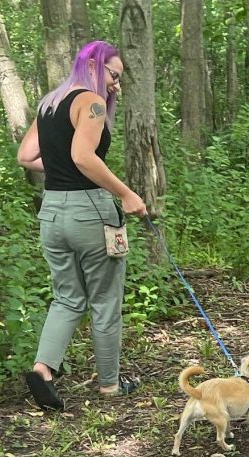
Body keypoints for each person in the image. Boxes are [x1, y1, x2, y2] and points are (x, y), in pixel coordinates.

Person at [17, 40, 148, 410]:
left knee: (67, 297)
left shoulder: (50, 102)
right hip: (90, 212)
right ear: (93, 65)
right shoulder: (89, 102)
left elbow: (26, 156)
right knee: (105, 300)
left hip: (52, 214)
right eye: (114, 75)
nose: (116, 85)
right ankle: (109, 385)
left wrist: (61, 170)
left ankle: (42, 370)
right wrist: (126, 194)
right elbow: (82, 156)